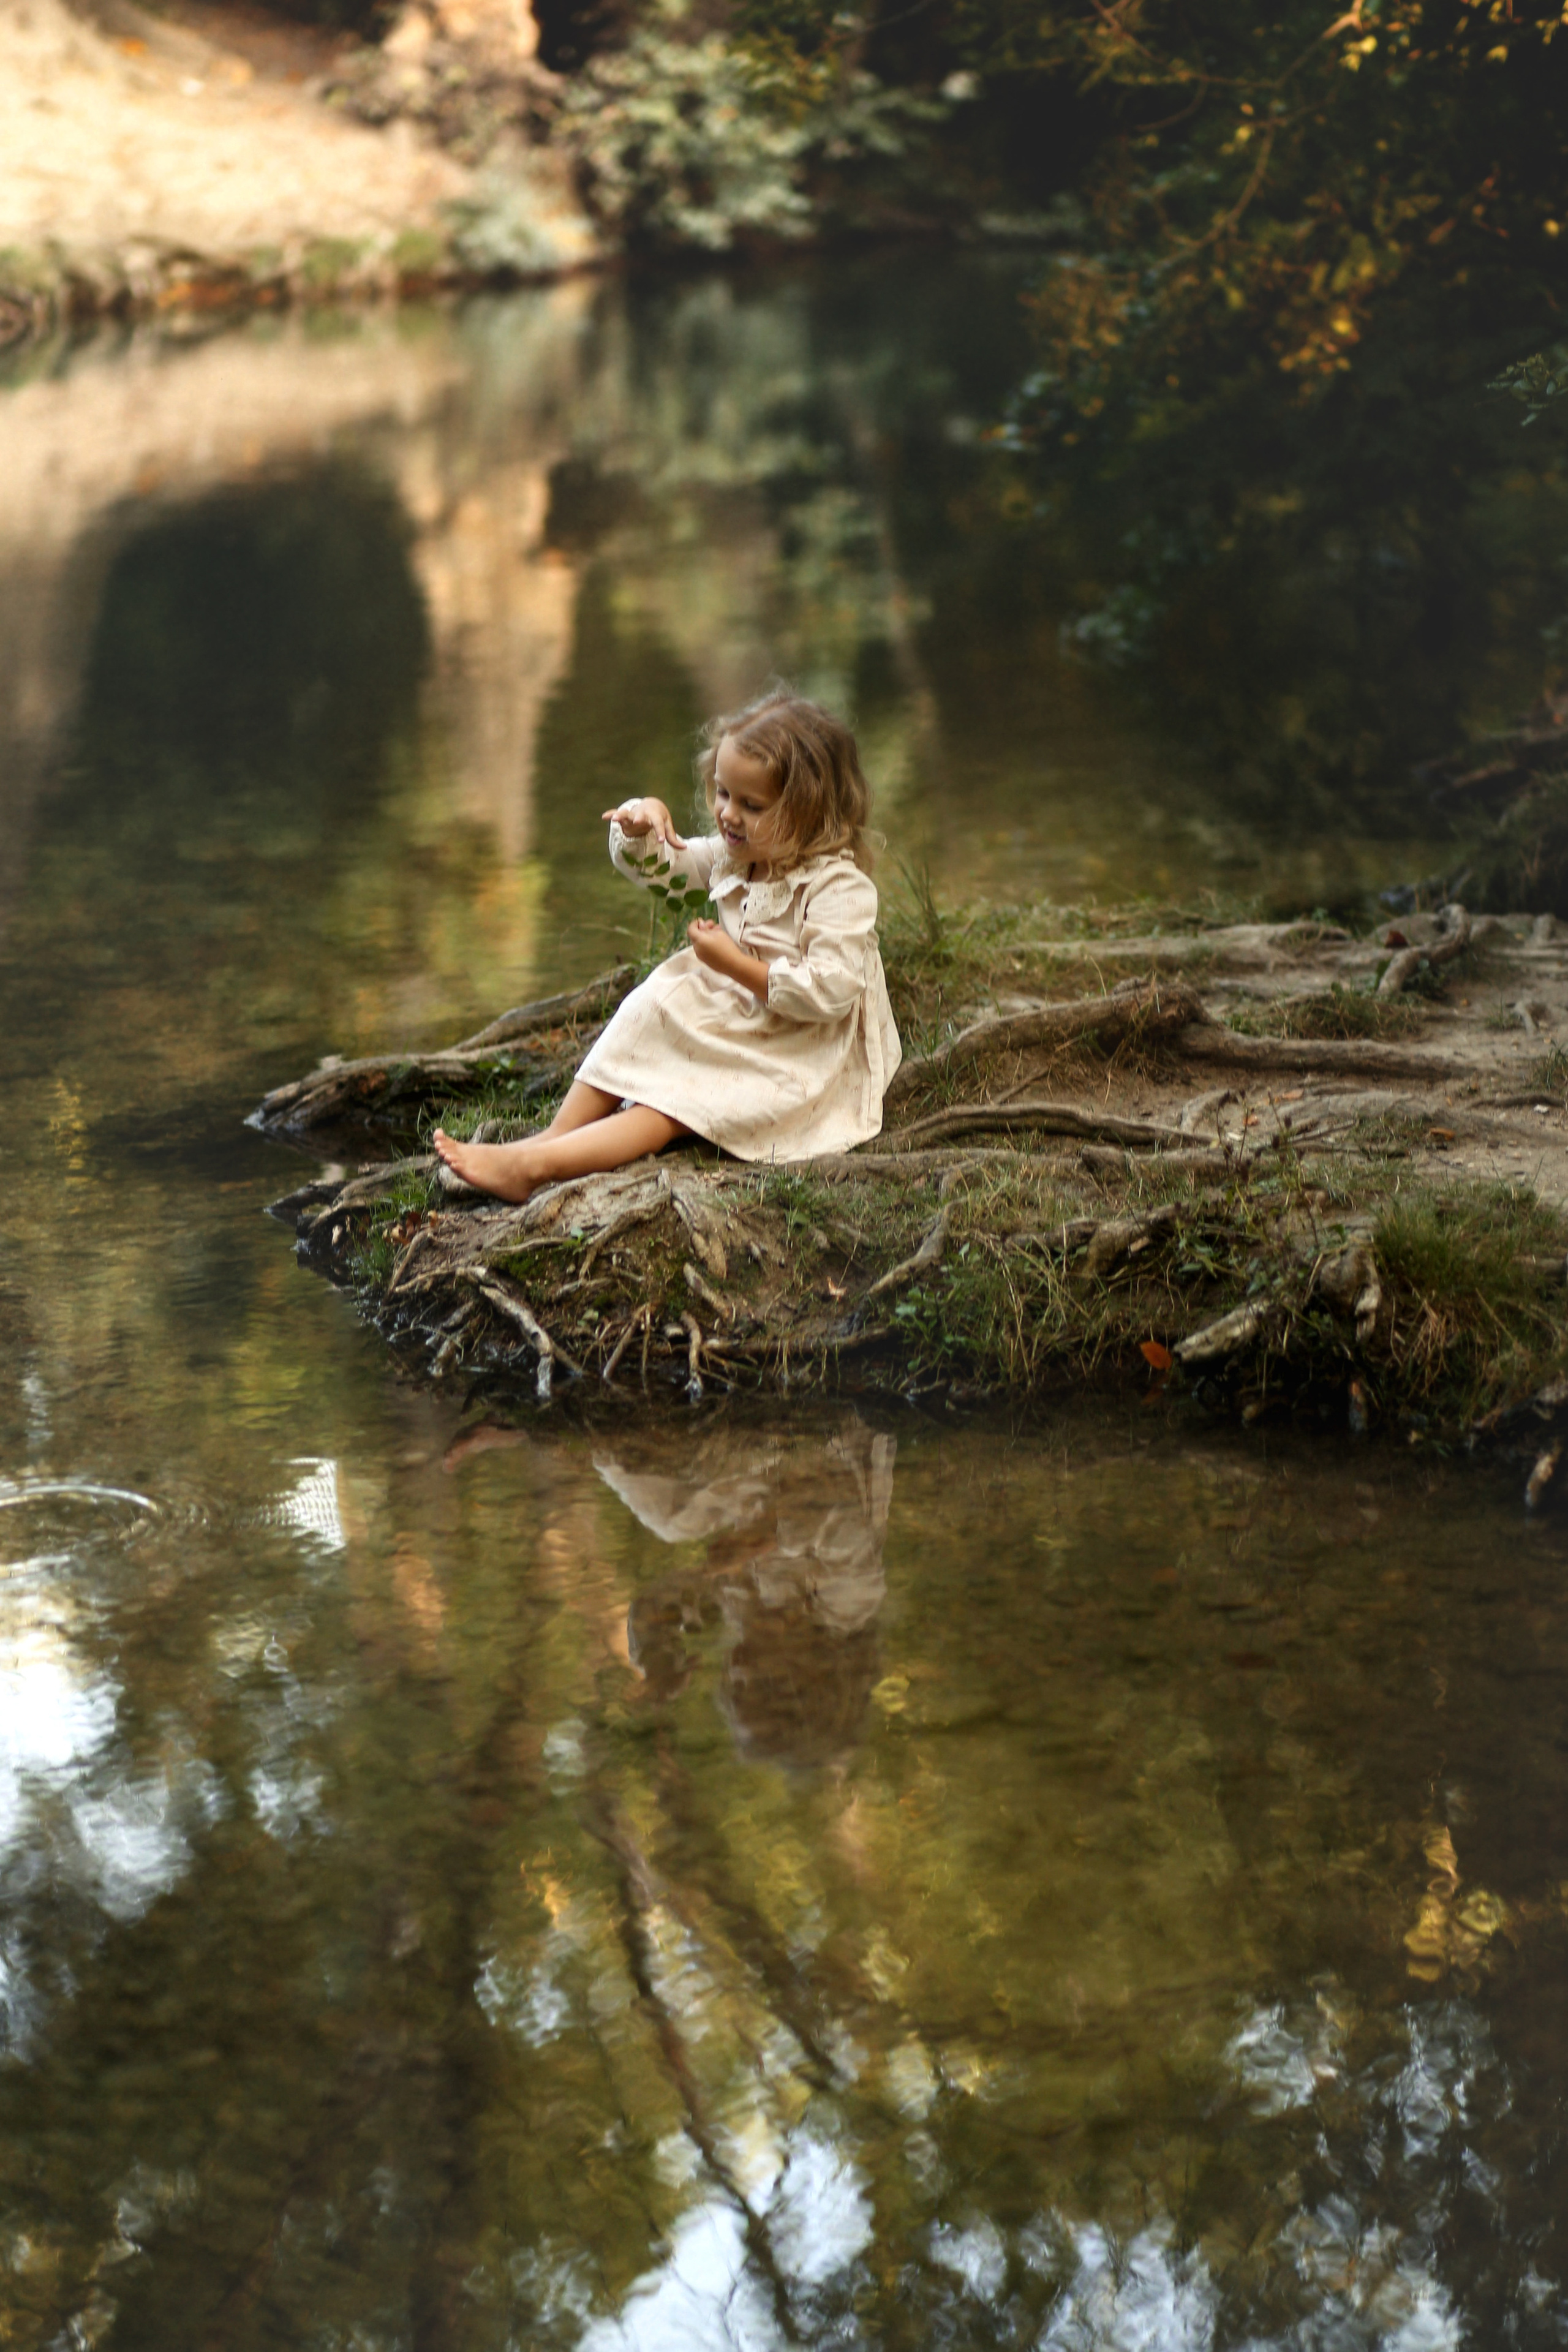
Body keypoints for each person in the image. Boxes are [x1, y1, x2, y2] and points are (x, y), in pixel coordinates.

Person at [432, 688, 902, 1202]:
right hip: (744, 1011)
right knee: (651, 1006)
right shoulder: (733, 857)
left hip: (802, 1047)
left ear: (810, 812)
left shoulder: (839, 888)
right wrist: (641, 824)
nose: (728, 815)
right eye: (723, 794)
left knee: (672, 1104)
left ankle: (536, 1167)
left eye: (752, 804)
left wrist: (737, 965)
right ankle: (551, 1137)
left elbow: (830, 991)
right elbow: (665, 873)